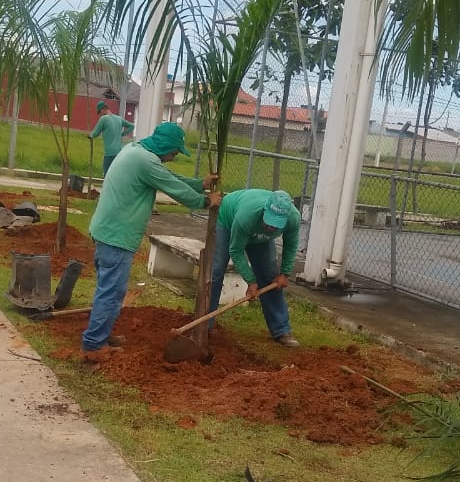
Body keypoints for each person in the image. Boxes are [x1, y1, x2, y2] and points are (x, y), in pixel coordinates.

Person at [81, 122, 220, 353]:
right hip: (116, 237)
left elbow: (168, 176)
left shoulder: (136, 151)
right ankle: (94, 345)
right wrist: (205, 201)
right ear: (165, 146)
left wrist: (199, 184)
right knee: (111, 292)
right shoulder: (145, 161)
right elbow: (173, 187)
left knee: (109, 290)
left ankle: (100, 335)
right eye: (174, 152)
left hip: (107, 231)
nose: (174, 157)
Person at [209, 188, 302, 347]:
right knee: (216, 273)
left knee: (269, 277)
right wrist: (251, 281)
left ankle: (281, 330)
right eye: (269, 222)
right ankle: (205, 324)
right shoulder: (246, 216)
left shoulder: (293, 218)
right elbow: (236, 251)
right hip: (228, 220)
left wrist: (285, 273)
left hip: (257, 234)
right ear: (265, 210)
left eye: (276, 225)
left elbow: (291, 245)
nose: (271, 228)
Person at [88, 97, 134, 176]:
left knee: (107, 175)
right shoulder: (119, 118)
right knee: (116, 175)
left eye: (100, 112)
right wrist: (122, 134)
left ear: (103, 109)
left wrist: (90, 135)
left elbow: (96, 133)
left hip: (109, 153)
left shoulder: (103, 119)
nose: (100, 114)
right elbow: (131, 126)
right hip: (119, 152)